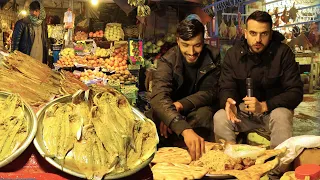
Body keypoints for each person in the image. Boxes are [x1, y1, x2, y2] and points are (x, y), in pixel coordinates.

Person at [214, 11, 303, 149]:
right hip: (244, 112)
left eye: (264, 34)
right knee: (220, 116)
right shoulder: (233, 54)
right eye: (253, 33)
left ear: (271, 34)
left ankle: (278, 167)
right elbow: (226, 87)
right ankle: (230, 162)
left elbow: (295, 92)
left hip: (273, 111)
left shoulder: (283, 53)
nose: (258, 40)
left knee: (282, 115)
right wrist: (228, 101)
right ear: (245, 33)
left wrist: (264, 105)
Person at [149, 14, 221, 160]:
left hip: (197, 109)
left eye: (197, 45)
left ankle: (201, 157)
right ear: (177, 41)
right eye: (185, 45)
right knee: (158, 114)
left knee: (205, 114)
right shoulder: (167, 60)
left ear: (204, 41)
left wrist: (181, 104)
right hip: (171, 113)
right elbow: (159, 97)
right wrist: (175, 120)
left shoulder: (213, 57)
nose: (191, 52)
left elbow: (212, 92)